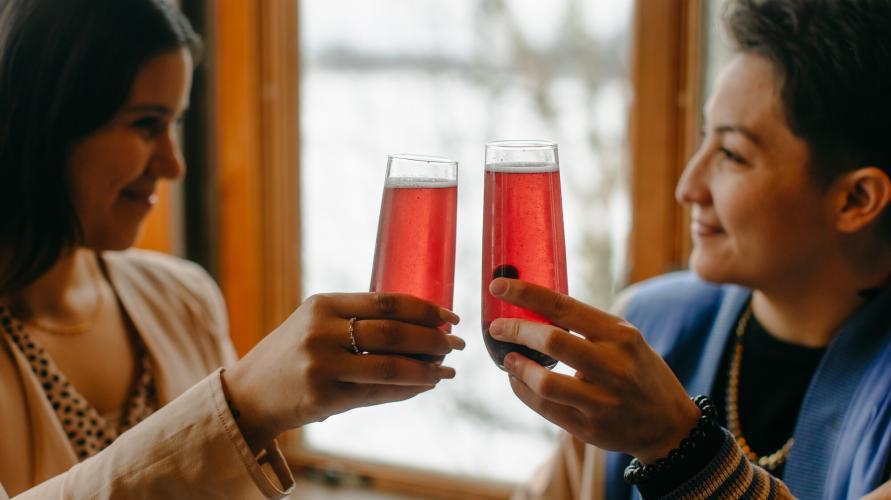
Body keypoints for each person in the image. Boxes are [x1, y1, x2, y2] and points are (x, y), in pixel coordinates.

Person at [0, 0, 464, 498]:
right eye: (145, 124)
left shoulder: (184, 299)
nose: (173, 165)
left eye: (175, 123)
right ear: (42, 119)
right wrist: (240, 405)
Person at [493, 0, 891, 498]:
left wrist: (675, 445)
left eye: (731, 154)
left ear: (856, 199)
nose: (688, 186)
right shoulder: (651, 323)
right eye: (704, 138)